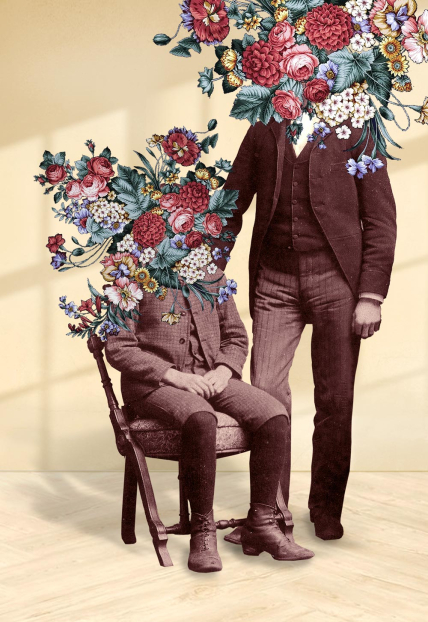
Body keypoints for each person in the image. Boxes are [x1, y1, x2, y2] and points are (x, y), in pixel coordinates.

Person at [215, 116, 397, 541]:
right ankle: (270, 512)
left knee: (335, 398)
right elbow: (230, 204)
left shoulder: (357, 125)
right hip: (274, 279)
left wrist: (371, 296)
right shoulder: (264, 126)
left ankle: (326, 509)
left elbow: (380, 219)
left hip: (337, 279)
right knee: (265, 393)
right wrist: (205, 271)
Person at [105, 270, 314, 572]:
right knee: (201, 417)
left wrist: (224, 370)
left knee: (274, 414)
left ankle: (261, 524)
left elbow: (235, 336)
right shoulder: (130, 274)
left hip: (211, 378)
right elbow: (119, 348)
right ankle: (202, 530)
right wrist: (174, 376)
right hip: (154, 385)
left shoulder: (211, 274)